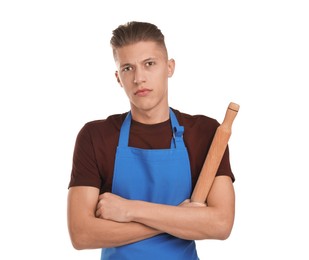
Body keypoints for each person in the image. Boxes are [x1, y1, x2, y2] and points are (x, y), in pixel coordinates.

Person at [67, 21, 235, 260]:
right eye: (127, 68)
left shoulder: (205, 133)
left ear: (169, 67)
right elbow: (81, 234)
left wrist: (129, 210)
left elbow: (221, 224)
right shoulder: (95, 136)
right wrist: (179, 218)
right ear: (118, 77)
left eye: (149, 64)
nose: (139, 78)